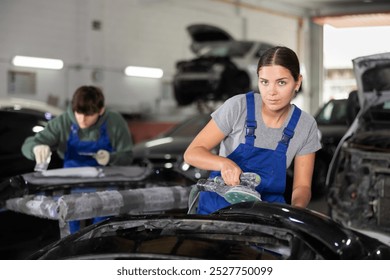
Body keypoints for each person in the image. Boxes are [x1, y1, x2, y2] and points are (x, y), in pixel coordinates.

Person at [184, 46, 322, 215]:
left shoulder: (305, 125)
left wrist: (296, 211)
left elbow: (302, 186)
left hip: (267, 214)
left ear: (297, 82)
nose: (271, 92)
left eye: (281, 82)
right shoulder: (239, 107)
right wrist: (224, 163)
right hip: (218, 210)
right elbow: (192, 153)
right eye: (264, 82)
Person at [21, 85, 134, 232]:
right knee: (71, 232)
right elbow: (28, 144)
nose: (82, 119)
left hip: (106, 187)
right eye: (78, 113)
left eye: (89, 115)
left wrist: (111, 158)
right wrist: (35, 148)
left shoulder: (115, 122)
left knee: (103, 230)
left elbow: (127, 156)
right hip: (72, 188)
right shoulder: (63, 122)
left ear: (101, 110)